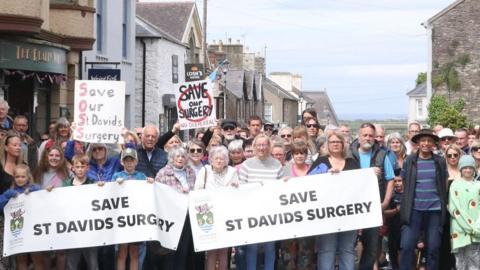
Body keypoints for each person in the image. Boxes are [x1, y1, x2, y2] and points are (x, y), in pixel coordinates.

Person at [308, 131, 359, 270]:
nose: (335, 144)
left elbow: (360, 186)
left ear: (343, 144)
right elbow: (308, 184)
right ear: (327, 145)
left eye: (338, 142)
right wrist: (327, 175)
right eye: (332, 142)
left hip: (349, 215)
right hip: (327, 215)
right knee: (326, 250)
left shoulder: (352, 163)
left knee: (347, 249)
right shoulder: (321, 162)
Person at [399, 129, 448, 270]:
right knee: (407, 246)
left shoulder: (440, 161)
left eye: (429, 141)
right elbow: (403, 182)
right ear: (418, 143)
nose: (426, 143)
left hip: (435, 211)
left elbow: (443, 182)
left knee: (433, 248)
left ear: (433, 143)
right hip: (413, 210)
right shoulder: (410, 160)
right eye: (423, 140)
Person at [349, 123, 394, 270]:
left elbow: (390, 179)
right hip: (351, 207)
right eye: (365, 135)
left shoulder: (382, 155)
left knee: (371, 246)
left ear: (375, 137)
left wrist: (386, 202)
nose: (368, 138)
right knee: (349, 245)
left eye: (370, 135)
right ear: (359, 136)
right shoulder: (349, 154)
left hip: (373, 208)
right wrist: (368, 172)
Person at [238, 134, 284, 270]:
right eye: (259, 145)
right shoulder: (247, 165)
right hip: (252, 212)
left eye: (264, 145)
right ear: (254, 147)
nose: (262, 148)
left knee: (270, 248)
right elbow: (242, 188)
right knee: (252, 247)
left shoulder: (276, 164)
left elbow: (280, 188)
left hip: (271, 212)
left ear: (269, 146)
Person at [195, 146, 239, 270]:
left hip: (226, 215)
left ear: (226, 160)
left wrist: (236, 187)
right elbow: (197, 191)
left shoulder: (232, 171)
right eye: (216, 158)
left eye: (222, 158)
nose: (219, 161)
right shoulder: (205, 171)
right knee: (212, 251)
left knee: (224, 251)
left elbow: (237, 194)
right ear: (211, 160)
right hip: (209, 215)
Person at [154, 146, 195, 270]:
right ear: (172, 158)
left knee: (183, 250)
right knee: (170, 251)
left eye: (183, 156)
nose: (180, 159)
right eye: (177, 156)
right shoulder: (162, 173)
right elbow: (158, 193)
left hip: (187, 217)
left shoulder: (190, 172)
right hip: (170, 218)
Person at [0, 164, 44, 270]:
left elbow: (44, 198)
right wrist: (8, 196)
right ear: (14, 178)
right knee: (21, 259)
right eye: (17, 177)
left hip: (34, 229)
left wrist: (32, 192)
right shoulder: (10, 192)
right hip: (18, 231)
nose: (20, 179)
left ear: (28, 177)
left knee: (37, 257)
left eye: (23, 177)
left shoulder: (35, 188)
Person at [112, 148, 148, 270]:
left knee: (134, 253)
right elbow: (110, 193)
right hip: (122, 219)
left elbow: (148, 192)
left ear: (136, 162)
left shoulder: (142, 176)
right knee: (121, 253)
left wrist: (151, 182)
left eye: (131, 160)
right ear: (122, 162)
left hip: (136, 220)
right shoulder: (116, 176)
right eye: (126, 160)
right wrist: (115, 184)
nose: (129, 163)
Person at [63, 154, 99, 270]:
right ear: (72, 168)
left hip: (89, 232)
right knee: (71, 264)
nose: (80, 169)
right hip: (73, 232)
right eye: (77, 167)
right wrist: (50, 191)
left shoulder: (93, 183)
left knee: (93, 264)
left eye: (82, 166)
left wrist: (102, 189)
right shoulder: (66, 185)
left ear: (87, 167)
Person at [448, 155, 480, 270]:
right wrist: (469, 227)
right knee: (460, 262)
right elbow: (454, 208)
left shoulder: (478, 185)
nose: (468, 170)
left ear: (474, 169)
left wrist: (477, 227)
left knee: (475, 261)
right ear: (461, 169)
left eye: (470, 167)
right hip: (460, 230)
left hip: (477, 231)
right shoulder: (455, 185)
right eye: (465, 167)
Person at [384, 176, 403, 270]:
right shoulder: (390, 196)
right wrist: (396, 210)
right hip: (392, 229)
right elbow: (385, 213)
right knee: (393, 253)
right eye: (395, 181)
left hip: (405, 229)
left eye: (399, 181)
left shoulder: (409, 195)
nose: (397, 183)